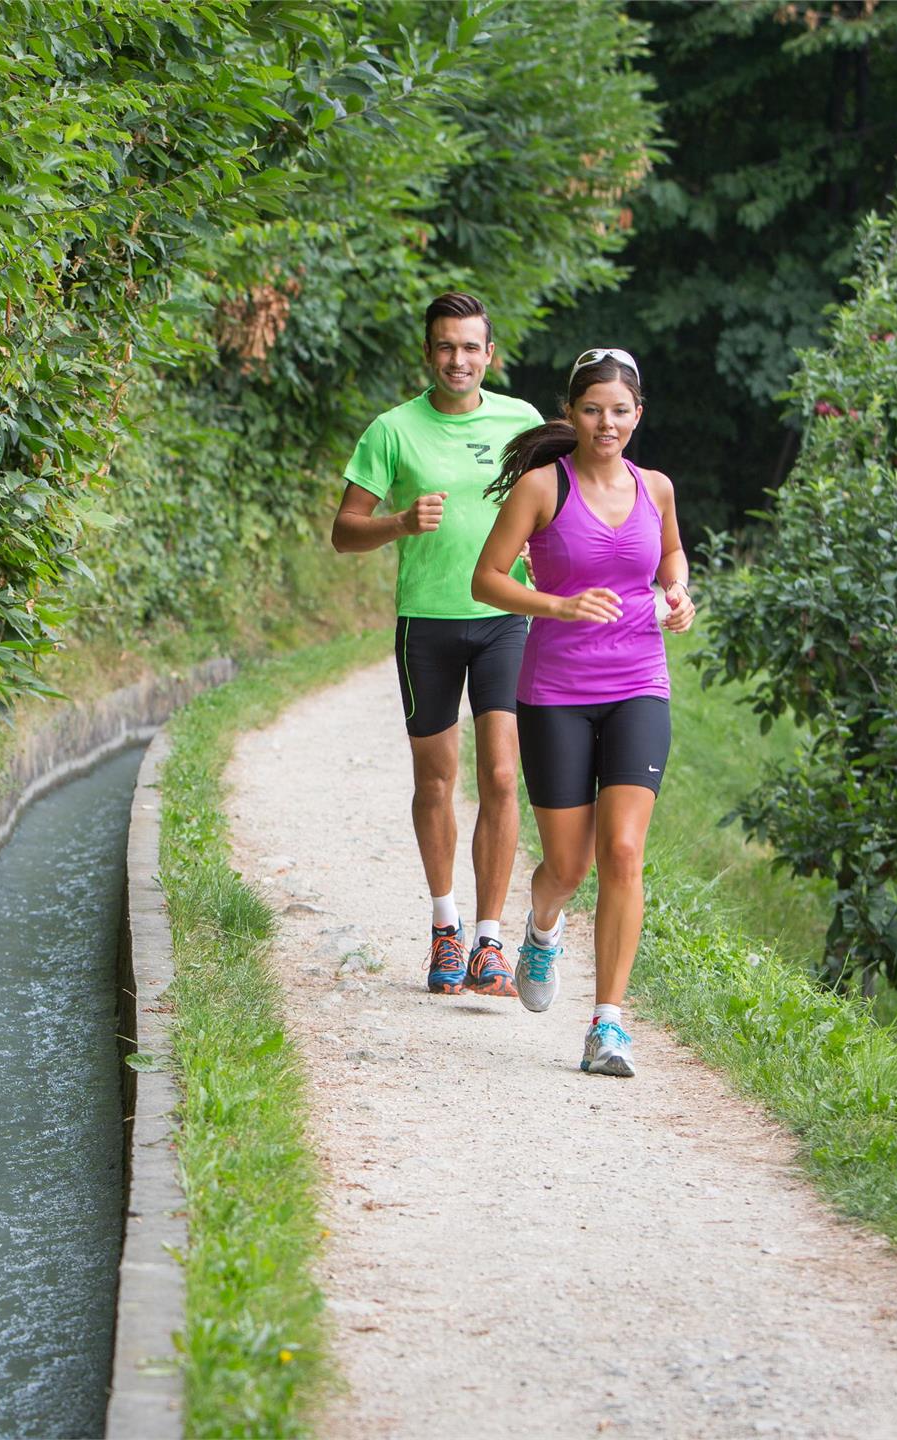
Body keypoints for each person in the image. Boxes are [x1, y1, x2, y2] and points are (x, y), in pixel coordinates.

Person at [469, 348, 695, 1077]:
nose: (607, 422)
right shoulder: (542, 487)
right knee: (567, 866)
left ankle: (608, 1027)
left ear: (639, 415)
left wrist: (680, 595)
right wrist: (557, 605)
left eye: (620, 410)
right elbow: (487, 579)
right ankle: (540, 929)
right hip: (555, 694)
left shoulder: (655, 487)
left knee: (623, 852)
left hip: (639, 684)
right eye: (593, 409)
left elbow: (671, 559)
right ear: (571, 414)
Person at [333, 293, 543, 997]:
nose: (458, 359)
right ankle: (445, 929)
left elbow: (562, 505)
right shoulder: (393, 431)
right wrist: (397, 523)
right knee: (436, 781)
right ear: (429, 353)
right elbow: (344, 531)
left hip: (503, 620)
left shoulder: (524, 422)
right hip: (425, 623)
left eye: (471, 347)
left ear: (492, 355)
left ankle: (490, 941)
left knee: (505, 777)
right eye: (445, 347)